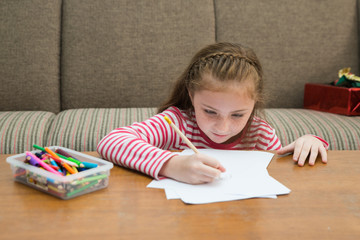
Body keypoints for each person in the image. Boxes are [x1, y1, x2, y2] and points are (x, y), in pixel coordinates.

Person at [97, 42, 329, 184]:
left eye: (237, 115)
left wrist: (310, 141)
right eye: (210, 111)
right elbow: (112, 141)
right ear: (191, 95)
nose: (223, 127)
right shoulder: (177, 122)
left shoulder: (259, 133)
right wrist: (172, 165)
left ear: (254, 103)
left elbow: (278, 164)